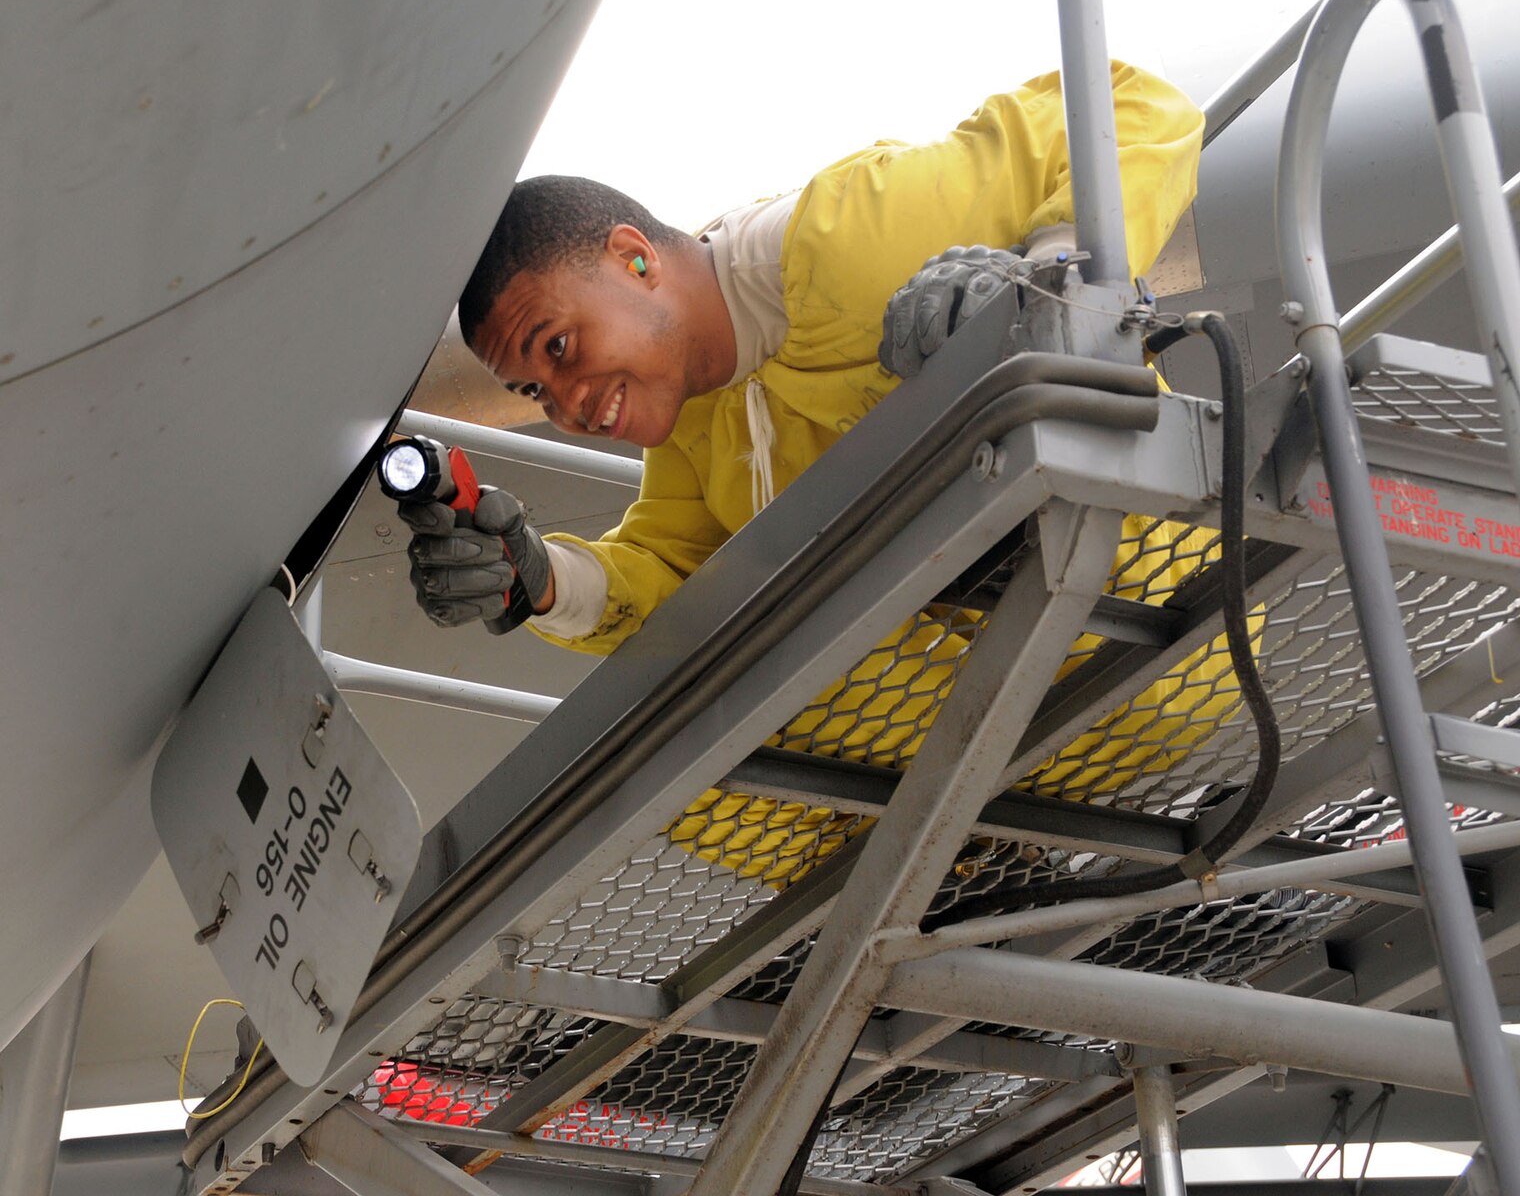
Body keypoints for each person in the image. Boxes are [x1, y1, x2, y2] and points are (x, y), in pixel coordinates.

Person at [398, 62, 1218, 883]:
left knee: (774, 644)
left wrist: (1042, 279)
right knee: (655, 744)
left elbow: (1131, 102)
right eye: (536, 390)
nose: (567, 402)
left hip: (1135, 633)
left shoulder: (853, 234)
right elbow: (675, 578)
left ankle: (963, 884)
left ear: (634, 258)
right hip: (1009, 745)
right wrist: (540, 580)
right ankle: (971, 890)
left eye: (560, 348)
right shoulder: (693, 420)